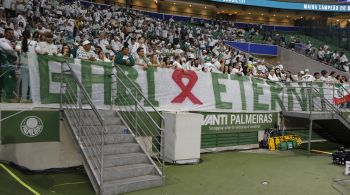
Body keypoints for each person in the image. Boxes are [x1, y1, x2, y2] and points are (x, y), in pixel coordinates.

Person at [0, 28, 17, 102]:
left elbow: (15, 56)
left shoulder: (13, 42)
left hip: (11, 65)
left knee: (12, 81)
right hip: (4, 65)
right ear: (5, 33)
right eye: (9, 33)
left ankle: (9, 96)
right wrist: (14, 51)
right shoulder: (1, 40)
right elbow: (8, 49)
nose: (11, 34)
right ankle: (7, 97)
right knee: (7, 80)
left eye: (12, 33)